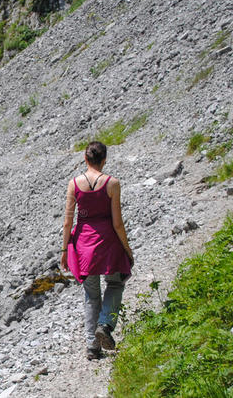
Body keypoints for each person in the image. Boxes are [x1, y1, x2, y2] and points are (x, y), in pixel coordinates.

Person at [60, 141, 133, 360]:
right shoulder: (112, 184)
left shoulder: (74, 183)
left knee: (91, 295)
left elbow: (67, 222)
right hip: (108, 244)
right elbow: (117, 223)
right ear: (104, 160)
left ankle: (92, 346)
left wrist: (64, 251)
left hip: (84, 247)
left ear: (85, 159)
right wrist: (127, 250)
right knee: (116, 282)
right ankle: (105, 325)